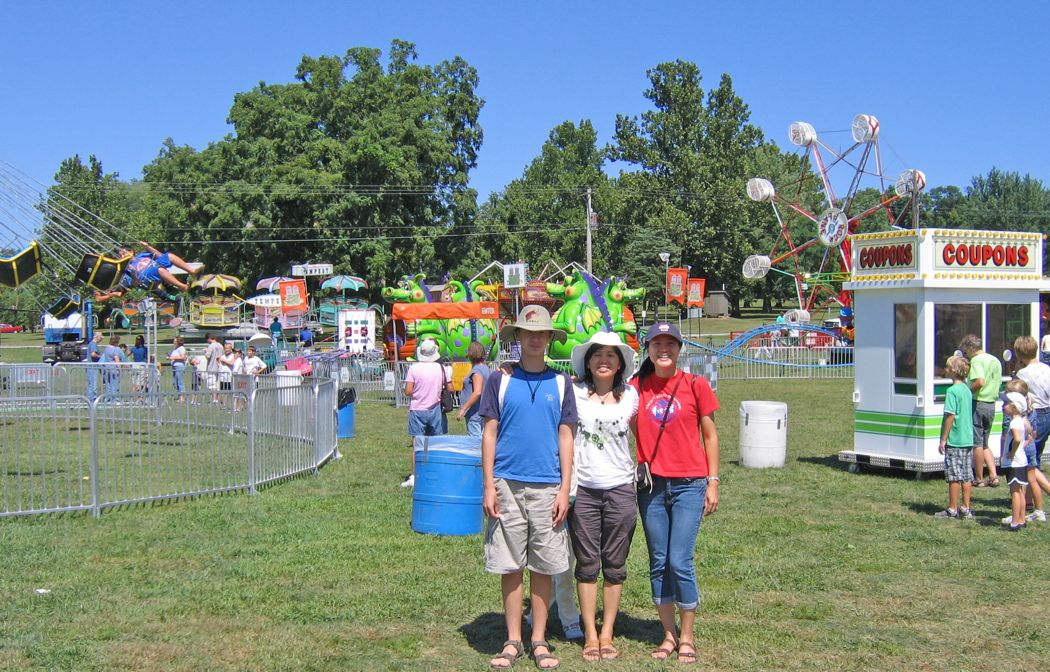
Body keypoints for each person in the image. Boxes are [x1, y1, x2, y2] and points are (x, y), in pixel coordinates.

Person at [478, 306, 576, 671]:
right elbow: (489, 433)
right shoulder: (498, 380)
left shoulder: (562, 383)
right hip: (506, 483)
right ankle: (513, 639)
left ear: (550, 338)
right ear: (517, 338)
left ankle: (539, 639)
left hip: (549, 486)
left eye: (542, 333)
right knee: (510, 564)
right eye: (527, 332)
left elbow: (567, 437)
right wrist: (488, 484)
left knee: (544, 565)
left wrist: (565, 488)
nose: (535, 338)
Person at [630, 322, 720, 665]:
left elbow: (710, 436)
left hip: (689, 484)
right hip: (652, 486)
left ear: (679, 349)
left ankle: (687, 636)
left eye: (670, 344)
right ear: (648, 349)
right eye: (657, 344)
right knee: (657, 561)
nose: (663, 350)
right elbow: (602, 393)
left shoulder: (695, 385)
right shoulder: (637, 386)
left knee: (679, 560)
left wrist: (713, 481)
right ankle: (667, 635)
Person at [567, 331, 639, 661]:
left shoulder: (632, 397)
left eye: (611, 354)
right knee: (586, 563)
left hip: (621, 488)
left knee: (615, 564)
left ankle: (607, 631)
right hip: (584, 489)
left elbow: (647, 433)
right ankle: (590, 635)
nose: (604, 360)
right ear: (588, 361)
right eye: (597, 354)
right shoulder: (574, 392)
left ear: (621, 362)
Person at [1007, 336, 1050, 521]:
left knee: (1029, 463)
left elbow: (1017, 393)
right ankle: (1031, 502)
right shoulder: (1046, 368)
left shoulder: (1023, 374)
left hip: (1035, 416)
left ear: (1019, 354)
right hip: (1048, 413)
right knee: (1035, 458)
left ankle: (1041, 495)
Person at [400, 338, 451, 488]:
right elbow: (451, 388)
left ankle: (416, 475)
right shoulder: (441, 368)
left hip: (417, 409)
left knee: (418, 444)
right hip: (435, 409)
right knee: (437, 443)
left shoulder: (414, 369)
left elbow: (408, 391)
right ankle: (438, 471)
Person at [935, 355, 975, 519]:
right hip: (968, 439)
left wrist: (943, 438)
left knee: (953, 476)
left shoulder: (952, 391)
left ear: (953, 371)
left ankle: (952, 508)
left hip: (955, 440)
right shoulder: (966, 389)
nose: (944, 369)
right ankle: (966, 508)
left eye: (946, 367)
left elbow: (950, 416)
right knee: (966, 476)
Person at [93, 241, 202, 300]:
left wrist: (147, 247)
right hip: (146, 279)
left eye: (124, 253)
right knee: (158, 269)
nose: (122, 255)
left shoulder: (142, 255)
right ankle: (182, 286)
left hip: (155, 265)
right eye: (120, 255)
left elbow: (159, 255)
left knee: (169, 255)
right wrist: (133, 272)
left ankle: (191, 271)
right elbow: (134, 284)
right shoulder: (125, 269)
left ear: (132, 252)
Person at [961, 335, 1002, 488]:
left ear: (971, 348)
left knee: (976, 443)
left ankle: (978, 478)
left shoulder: (976, 361)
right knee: (985, 443)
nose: (965, 355)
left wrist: (966, 391)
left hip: (979, 403)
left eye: (966, 351)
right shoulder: (995, 360)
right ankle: (993, 475)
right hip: (992, 404)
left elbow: (979, 381)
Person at [1002, 392, 1034, 531]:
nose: (1003, 406)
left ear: (1014, 407)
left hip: (1014, 462)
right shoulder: (1021, 420)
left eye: (1006, 404)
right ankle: (1021, 519)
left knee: (1015, 492)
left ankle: (1014, 522)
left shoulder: (1014, 422)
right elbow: (1027, 438)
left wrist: (1012, 452)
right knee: (1020, 491)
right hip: (1022, 461)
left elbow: (1017, 439)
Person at [456, 341, 491, 437]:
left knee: (476, 444)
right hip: (484, 411)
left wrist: (463, 409)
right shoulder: (485, 368)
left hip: (475, 413)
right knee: (483, 442)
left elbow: (477, 392)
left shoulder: (476, 371)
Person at [100, 334, 124, 399]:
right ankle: (115, 399)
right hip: (114, 369)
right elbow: (117, 360)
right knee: (114, 384)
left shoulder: (106, 348)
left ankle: (108, 399)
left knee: (108, 384)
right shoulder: (116, 349)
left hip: (106, 368)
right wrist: (120, 369)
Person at [204, 333, 224, 404]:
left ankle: (214, 399)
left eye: (207, 339)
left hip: (212, 367)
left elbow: (207, 356)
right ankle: (218, 399)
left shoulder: (211, 346)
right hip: (219, 367)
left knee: (211, 384)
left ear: (209, 338)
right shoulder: (220, 345)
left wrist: (205, 351)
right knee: (217, 384)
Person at [168, 337, 187, 401]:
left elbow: (182, 357)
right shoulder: (175, 349)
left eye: (175, 341)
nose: (174, 342)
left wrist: (172, 357)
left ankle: (182, 397)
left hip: (179, 366)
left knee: (179, 381)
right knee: (175, 382)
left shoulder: (181, 348)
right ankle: (179, 395)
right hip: (174, 366)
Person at [85, 332, 103, 399]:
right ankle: (92, 398)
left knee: (91, 383)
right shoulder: (93, 344)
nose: (101, 339)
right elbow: (93, 354)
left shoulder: (92, 344)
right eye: (100, 338)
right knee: (93, 383)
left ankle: (90, 397)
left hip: (92, 367)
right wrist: (100, 356)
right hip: (92, 367)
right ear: (96, 337)